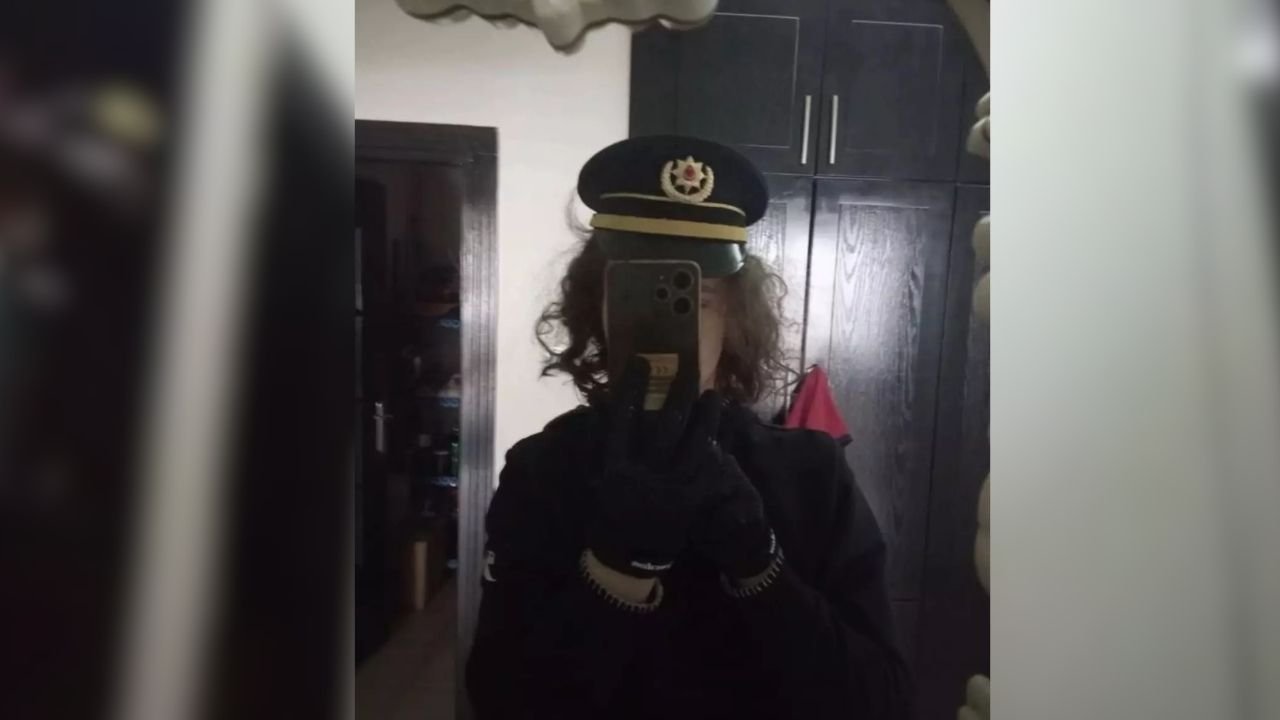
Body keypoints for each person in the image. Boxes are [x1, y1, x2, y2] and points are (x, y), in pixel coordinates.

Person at [466, 136, 910, 719]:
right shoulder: (542, 469)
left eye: (696, 298)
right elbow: (500, 701)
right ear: (597, 306)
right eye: (636, 295)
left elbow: (882, 705)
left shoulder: (812, 473)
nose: (665, 322)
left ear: (735, 315)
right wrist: (616, 569)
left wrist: (760, 565)